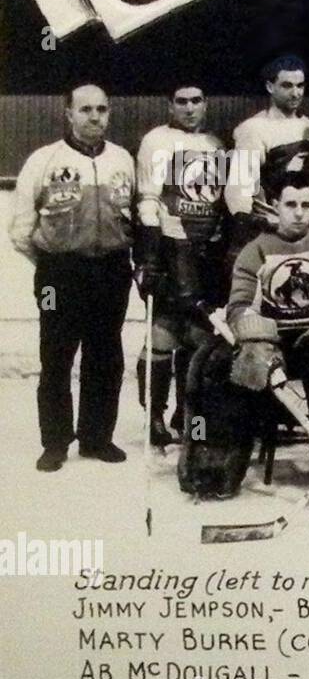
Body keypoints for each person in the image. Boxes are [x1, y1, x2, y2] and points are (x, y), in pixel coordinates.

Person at [182, 172, 309, 500]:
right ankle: (214, 468)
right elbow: (239, 305)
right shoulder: (256, 249)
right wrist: (256, 336)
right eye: (291, 204)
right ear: (275, 206)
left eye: (306, 205)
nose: (299, 212)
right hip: (273, 341)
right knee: (219, 364)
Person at [9, 84, 136, 471]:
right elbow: (20, 229)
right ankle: (55, 442)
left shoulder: (122, 159)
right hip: (59, 274)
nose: (94, 117)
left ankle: (97, 438)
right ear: (68, 113)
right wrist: (51, 265)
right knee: (57, 356)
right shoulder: (43, 160)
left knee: (106, 356)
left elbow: (132, 214)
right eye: (85, 110)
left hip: (112, 269)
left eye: (101, 109)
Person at [134, 82, 228, 447]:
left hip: (206, 254)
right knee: (163, 331)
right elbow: (148, 200)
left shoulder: (217, 145)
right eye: (182, 102)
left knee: (199, 334)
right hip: (168, 249)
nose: (190, 108)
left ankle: (185, 412)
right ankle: (153, 415)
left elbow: (221, 201)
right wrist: (150, 256)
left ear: (206, 104)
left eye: (197, 101)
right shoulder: (156, 141)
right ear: (170, 104)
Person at [223, 54, 309, 259]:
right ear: (270, 87)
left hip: (302, 227)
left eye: (300, 86)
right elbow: (239, 187)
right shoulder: (254, 129)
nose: (295, 93)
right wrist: (245, 227)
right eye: (287, 86)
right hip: (267, 227)